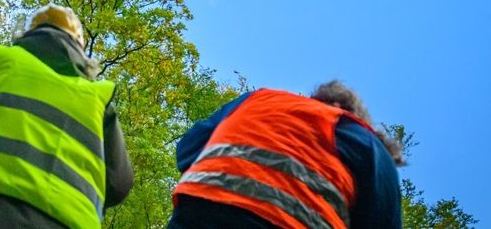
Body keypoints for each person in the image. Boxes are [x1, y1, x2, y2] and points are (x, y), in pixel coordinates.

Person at [0, 4, 134, 229]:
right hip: (62, 221)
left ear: (27, 34)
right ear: (80, 48)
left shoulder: (1, 61)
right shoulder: (97, 98)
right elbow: (119, 183)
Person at [167, 80, 404, 229]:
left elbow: (188, 150)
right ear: (352, 116)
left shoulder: (259, 99)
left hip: (199, 208)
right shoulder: (369, 144)